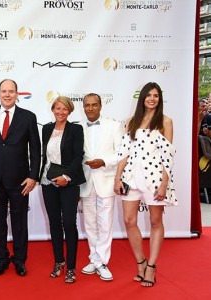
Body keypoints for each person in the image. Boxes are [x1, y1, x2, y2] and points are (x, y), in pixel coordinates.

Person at [114, 82, 177, 288]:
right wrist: (117, 177)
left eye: (156, 95)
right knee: (129, 220)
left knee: (155, 222)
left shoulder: (165, 122)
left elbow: (168, 156)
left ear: (160, 99)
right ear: (142, 98)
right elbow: (124, 152)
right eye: (148, 95)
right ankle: (140, 261)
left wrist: (164, 184)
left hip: (155, 179)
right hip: (131, 177)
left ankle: (151, 266)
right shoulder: (131, 121)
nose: (152, 98)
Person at [0, 79, 41, 277]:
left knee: (19, 221)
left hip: (20, 180)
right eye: (4, 91)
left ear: (17, 94)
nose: (7, 95)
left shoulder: (28, 117)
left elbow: (36, 149)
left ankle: (20, 260)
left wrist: (33, 176)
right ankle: (2, 259)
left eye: (11, 91)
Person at [39, 96, 85, 284]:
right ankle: (59, 261)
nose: (60, 112)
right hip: (48, 182)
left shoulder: (76, 129)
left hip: (68, 183)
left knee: (68, 223)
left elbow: (78, 155)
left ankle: (71, 268)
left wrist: (66, 177)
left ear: (70, 111)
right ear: (53, 109)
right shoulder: (46, 128)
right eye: (57, 108)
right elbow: (45, 156)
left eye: (64, 109)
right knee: (54, 223)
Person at [79, 93, 124, 281]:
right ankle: (94, 258)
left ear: (100, 106)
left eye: (94, 105)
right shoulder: (78, 128)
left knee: (105, 223)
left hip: (105, 179)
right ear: (83, 107)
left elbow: (121, 152)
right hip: (86, 182)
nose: (90, 108)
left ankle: (102, 261)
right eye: (87, 105)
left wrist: (103, 161)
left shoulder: (114, 126)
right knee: (90, 223)